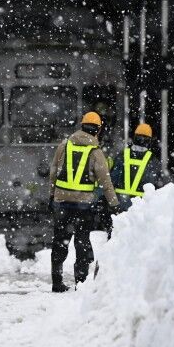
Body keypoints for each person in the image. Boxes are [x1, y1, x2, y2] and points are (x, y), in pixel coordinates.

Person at [48, 111, 119, 293]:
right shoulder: (95, 152)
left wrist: (52, 194)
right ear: (97, 130)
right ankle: (81, 283)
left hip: (61, 201)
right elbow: (106, 181)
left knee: (60, 240)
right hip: (83, 206)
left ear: (82, 125)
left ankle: (57, 281)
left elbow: (54, 171)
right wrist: (114, 204)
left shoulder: (64, 146)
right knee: (82, 241)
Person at [111, 122, 166, 212]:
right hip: (141, 207)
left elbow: (112, 179)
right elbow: (158, 185)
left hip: (120, 204)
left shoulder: (122, 155)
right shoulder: (153, 160)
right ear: (149, 141)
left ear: (134, 138)